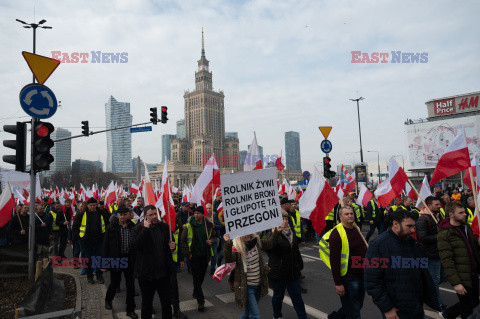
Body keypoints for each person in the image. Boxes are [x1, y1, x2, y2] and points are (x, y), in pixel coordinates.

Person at [365, 209, 439, 318]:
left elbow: (423, 273)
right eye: (409, 226)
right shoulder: (378, 245)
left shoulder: (412, 243)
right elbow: (372, 282)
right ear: (395, 224)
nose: (413, 230)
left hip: (415, 304)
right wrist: (387, 308)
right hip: (396, 309)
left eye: (414, 226)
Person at [223, 224, 284, 319]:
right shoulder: (236, 248)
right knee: (255, 315)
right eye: (243, 233)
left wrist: (277, 232)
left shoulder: (256, 242)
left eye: (248, 232)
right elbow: (229, 260)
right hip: (246, 287)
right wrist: (227, 243)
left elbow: (270, 244)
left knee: (247, 312)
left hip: (258, 285)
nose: (247, 235)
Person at [319, 206, 367, 319]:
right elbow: (334, 261)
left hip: (361, 274)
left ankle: (334, 317)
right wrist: (338, 283)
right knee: (354, 312)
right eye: (346, 214)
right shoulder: (336, 234)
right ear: (340, 217)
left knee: (357, 305)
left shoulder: (355, 228)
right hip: (348, 277)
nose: (350, 215)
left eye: (351, 213)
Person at [131, 205, 176, 319]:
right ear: (145, 216)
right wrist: (145, 229)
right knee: (146, 305)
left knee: (166, 304)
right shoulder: (138, 229)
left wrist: (172, 246)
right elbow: (134, 246)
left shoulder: (163, 227)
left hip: (163, 274)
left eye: (155, 213)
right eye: (151, 215)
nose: (154, 216)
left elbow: (170, 243)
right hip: (146, 275)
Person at [437, 202, 480, 319]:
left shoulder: (466, 227)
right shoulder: (445, 233)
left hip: (473, 272)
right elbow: (447, 260)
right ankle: (448, 314)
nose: (465, 214)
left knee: (475, 301)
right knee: (467, 308)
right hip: (461, 275)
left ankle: (447, 314)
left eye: (464, 212)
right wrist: (456, 283)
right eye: (460, 213)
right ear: (451, 214)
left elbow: (473, 248)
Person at [265, 210, 308, 319]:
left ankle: (303, 317)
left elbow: (295, 250)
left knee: (297, 296)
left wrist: (299, 264)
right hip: (279, 272)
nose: (285, 221)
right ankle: (277, 315)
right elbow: (269, 249)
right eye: (282, 219)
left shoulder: (291, 232)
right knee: (278, 296)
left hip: (293, 271)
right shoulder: (272, 234)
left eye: (286, 219)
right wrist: (276, 233)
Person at [102, 206, 137, 319]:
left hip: (129, 259)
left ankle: (130, 309)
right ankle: (108, 300)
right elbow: (105, 246)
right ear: (117, 215)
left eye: (124, 214)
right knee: (115, 283)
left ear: (128, 215)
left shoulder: (133, 226)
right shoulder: (111, 227)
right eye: (120, 214)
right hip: (116, 259)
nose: (122, 217)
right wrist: (104, 263)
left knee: (130, 285)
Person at [415, 196, 446, 313]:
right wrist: (441, 237)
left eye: (439, 204)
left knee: (442, 277)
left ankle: (425, 291)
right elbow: (422, 237)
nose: (439, 206)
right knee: (434, 281)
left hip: (440, 253)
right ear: (428, 206)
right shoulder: (423, 219)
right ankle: (439, 305)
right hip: (430, 255)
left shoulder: (439, 215)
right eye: (436, 205)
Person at [180, 206, 213, 312]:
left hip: (204, 256)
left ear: (203, 214)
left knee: (201, 277)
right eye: (195, 213)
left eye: (198, 213)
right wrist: (187, 254)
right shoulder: (189, 226)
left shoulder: (208, 225)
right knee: (196, 278)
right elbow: (183, 240)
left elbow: (214, 236)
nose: (196, 215)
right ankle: (201, 301)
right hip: (193, 256)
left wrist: (211, 241)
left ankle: (196, 291)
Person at [72, 197, 110, 284]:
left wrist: (105, 237)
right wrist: (79, 237)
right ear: (87, 205)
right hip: (86, 241)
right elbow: (74, 228)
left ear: (96, 205)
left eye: (94, 205)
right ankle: (90, 276)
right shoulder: (81, 214)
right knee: (88, 259)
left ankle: (99, 275)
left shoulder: (101, 213)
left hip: (99, 240)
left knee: (99, 258)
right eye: (91, 205)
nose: (92, 207)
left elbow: (107, 225)